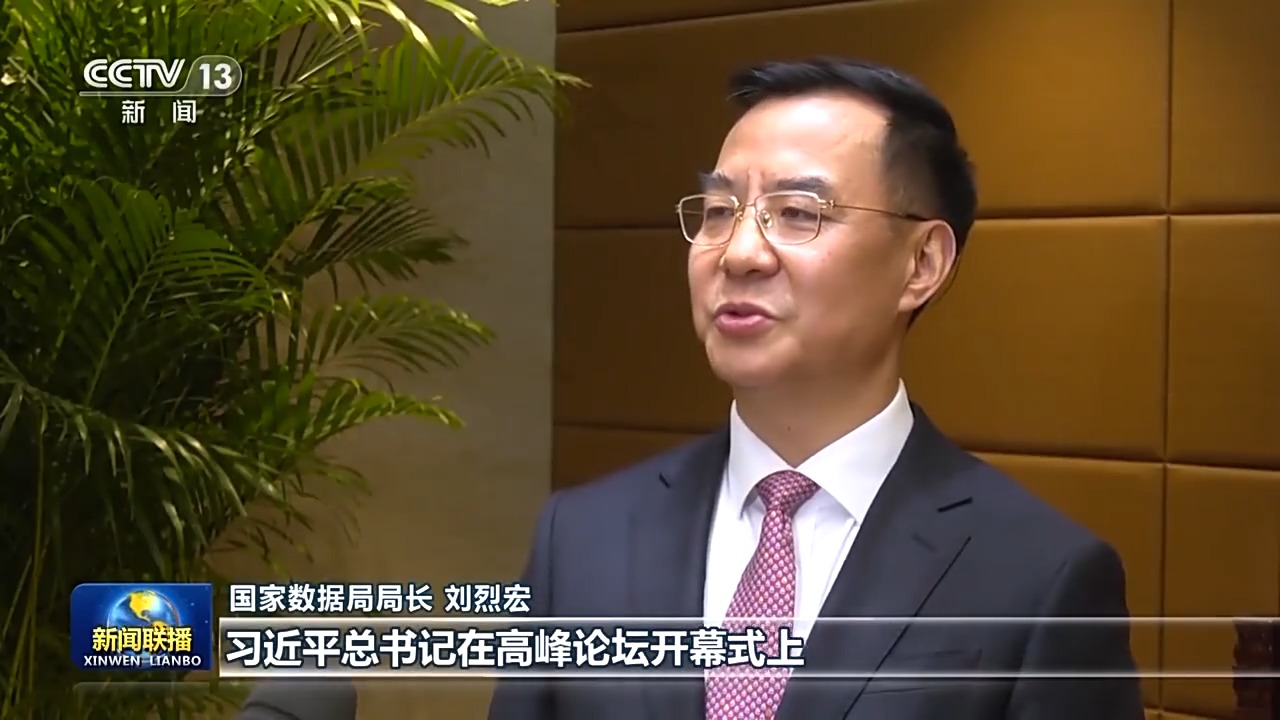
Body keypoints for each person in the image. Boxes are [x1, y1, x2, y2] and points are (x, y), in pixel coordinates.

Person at [488, 57, 1144, 720]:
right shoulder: (582, 536)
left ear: (921, 263)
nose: (739, 253)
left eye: (798, 213)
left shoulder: (1039, 576)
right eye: (718, 211)